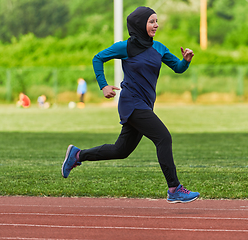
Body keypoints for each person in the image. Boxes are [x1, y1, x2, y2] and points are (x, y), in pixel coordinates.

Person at [62, 6, 200, 203]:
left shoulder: (159, 47)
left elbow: (177, 68)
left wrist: (185, 61)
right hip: (131, 104)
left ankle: (77, 155)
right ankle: (174, 188)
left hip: (145, 105)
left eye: (156, 21)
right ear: (139, 24)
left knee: (121, 150)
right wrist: (103, 86)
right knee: (163, 138)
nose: (156, 25)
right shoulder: (125, 47)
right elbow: (98, 58)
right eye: (152, 21)